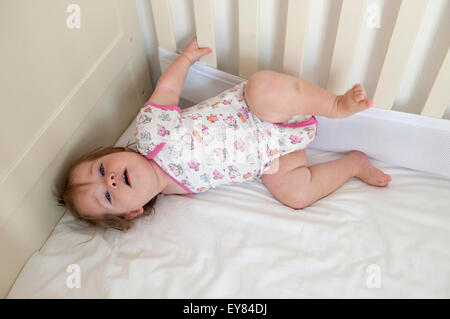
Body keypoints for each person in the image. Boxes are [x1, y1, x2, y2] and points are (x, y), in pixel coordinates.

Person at [58, 37, 391, 231]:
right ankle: (353, 165)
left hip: (261, 110)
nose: (111, 181)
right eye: (107, 196)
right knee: (296, 196)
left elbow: (167, 90)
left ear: (116, 152)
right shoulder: (175, 192)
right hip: (274, 157)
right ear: (133, 212)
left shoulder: (150, 135)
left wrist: (185, 59)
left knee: (263, 87)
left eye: (101, 170)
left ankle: (334, 104)